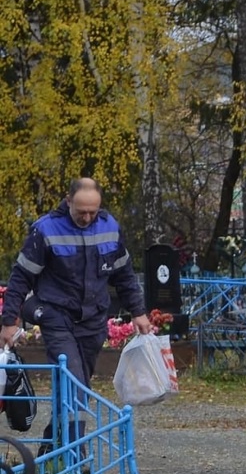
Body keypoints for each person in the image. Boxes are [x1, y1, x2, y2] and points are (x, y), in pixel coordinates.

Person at [0, 179, 152, 443]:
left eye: (93, 211)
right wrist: (9, 321)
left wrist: (138, 311)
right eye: (81, 211)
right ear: (68, 201)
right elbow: (21, 277)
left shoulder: (109, 227)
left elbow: (124, 275)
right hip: (57, 317)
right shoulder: (46, 230)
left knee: (76, 387)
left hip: (93, 320)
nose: (87, 217)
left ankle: (52, 449)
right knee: (75, 387)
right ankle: (74, 458)